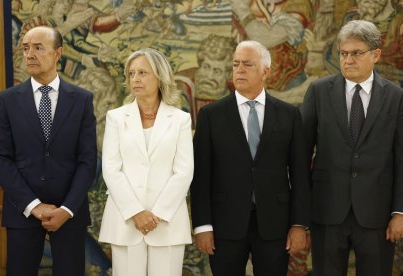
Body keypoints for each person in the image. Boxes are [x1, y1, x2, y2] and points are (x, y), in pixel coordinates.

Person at [190, 40, 311, 275]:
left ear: (266, 71)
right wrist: (202, 225)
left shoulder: (289, 115)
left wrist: (298, 224)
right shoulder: (211, 115)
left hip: (275, 225)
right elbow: (201, 176)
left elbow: (299, 174)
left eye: (247, 64)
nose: (239, 69)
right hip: (225, 224)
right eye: (236, 64)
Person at [0, 26, 97, 276]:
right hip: (23, 212)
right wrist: (34, 205)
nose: (29, 54)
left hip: (69, 214)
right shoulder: (7, 100)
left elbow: (87, 160)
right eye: (26, 48)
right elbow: (0, 157)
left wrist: (67, 209)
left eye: (38, 48)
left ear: (57, 53)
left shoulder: (82, 99)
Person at [301, 20, 403, 276]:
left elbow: (402, 158)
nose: (348, 60)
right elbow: (300, 155)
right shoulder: (319, 92)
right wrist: (300, 217)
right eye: (344, 53)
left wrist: (399, 211)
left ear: (375, 55)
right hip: (327, 212)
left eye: (356, 53)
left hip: (377, 216)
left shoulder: (395, 96)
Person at [98, 48, 194, 276]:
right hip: (126, 221)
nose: (135, 79)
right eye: (131, 74)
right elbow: (111, 170)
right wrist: (136, 212)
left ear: (160, 77)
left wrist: (157, 214)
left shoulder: (180, 119)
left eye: (142, 73)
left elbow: (184, 171)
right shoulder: (116, 118)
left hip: (166, 222)